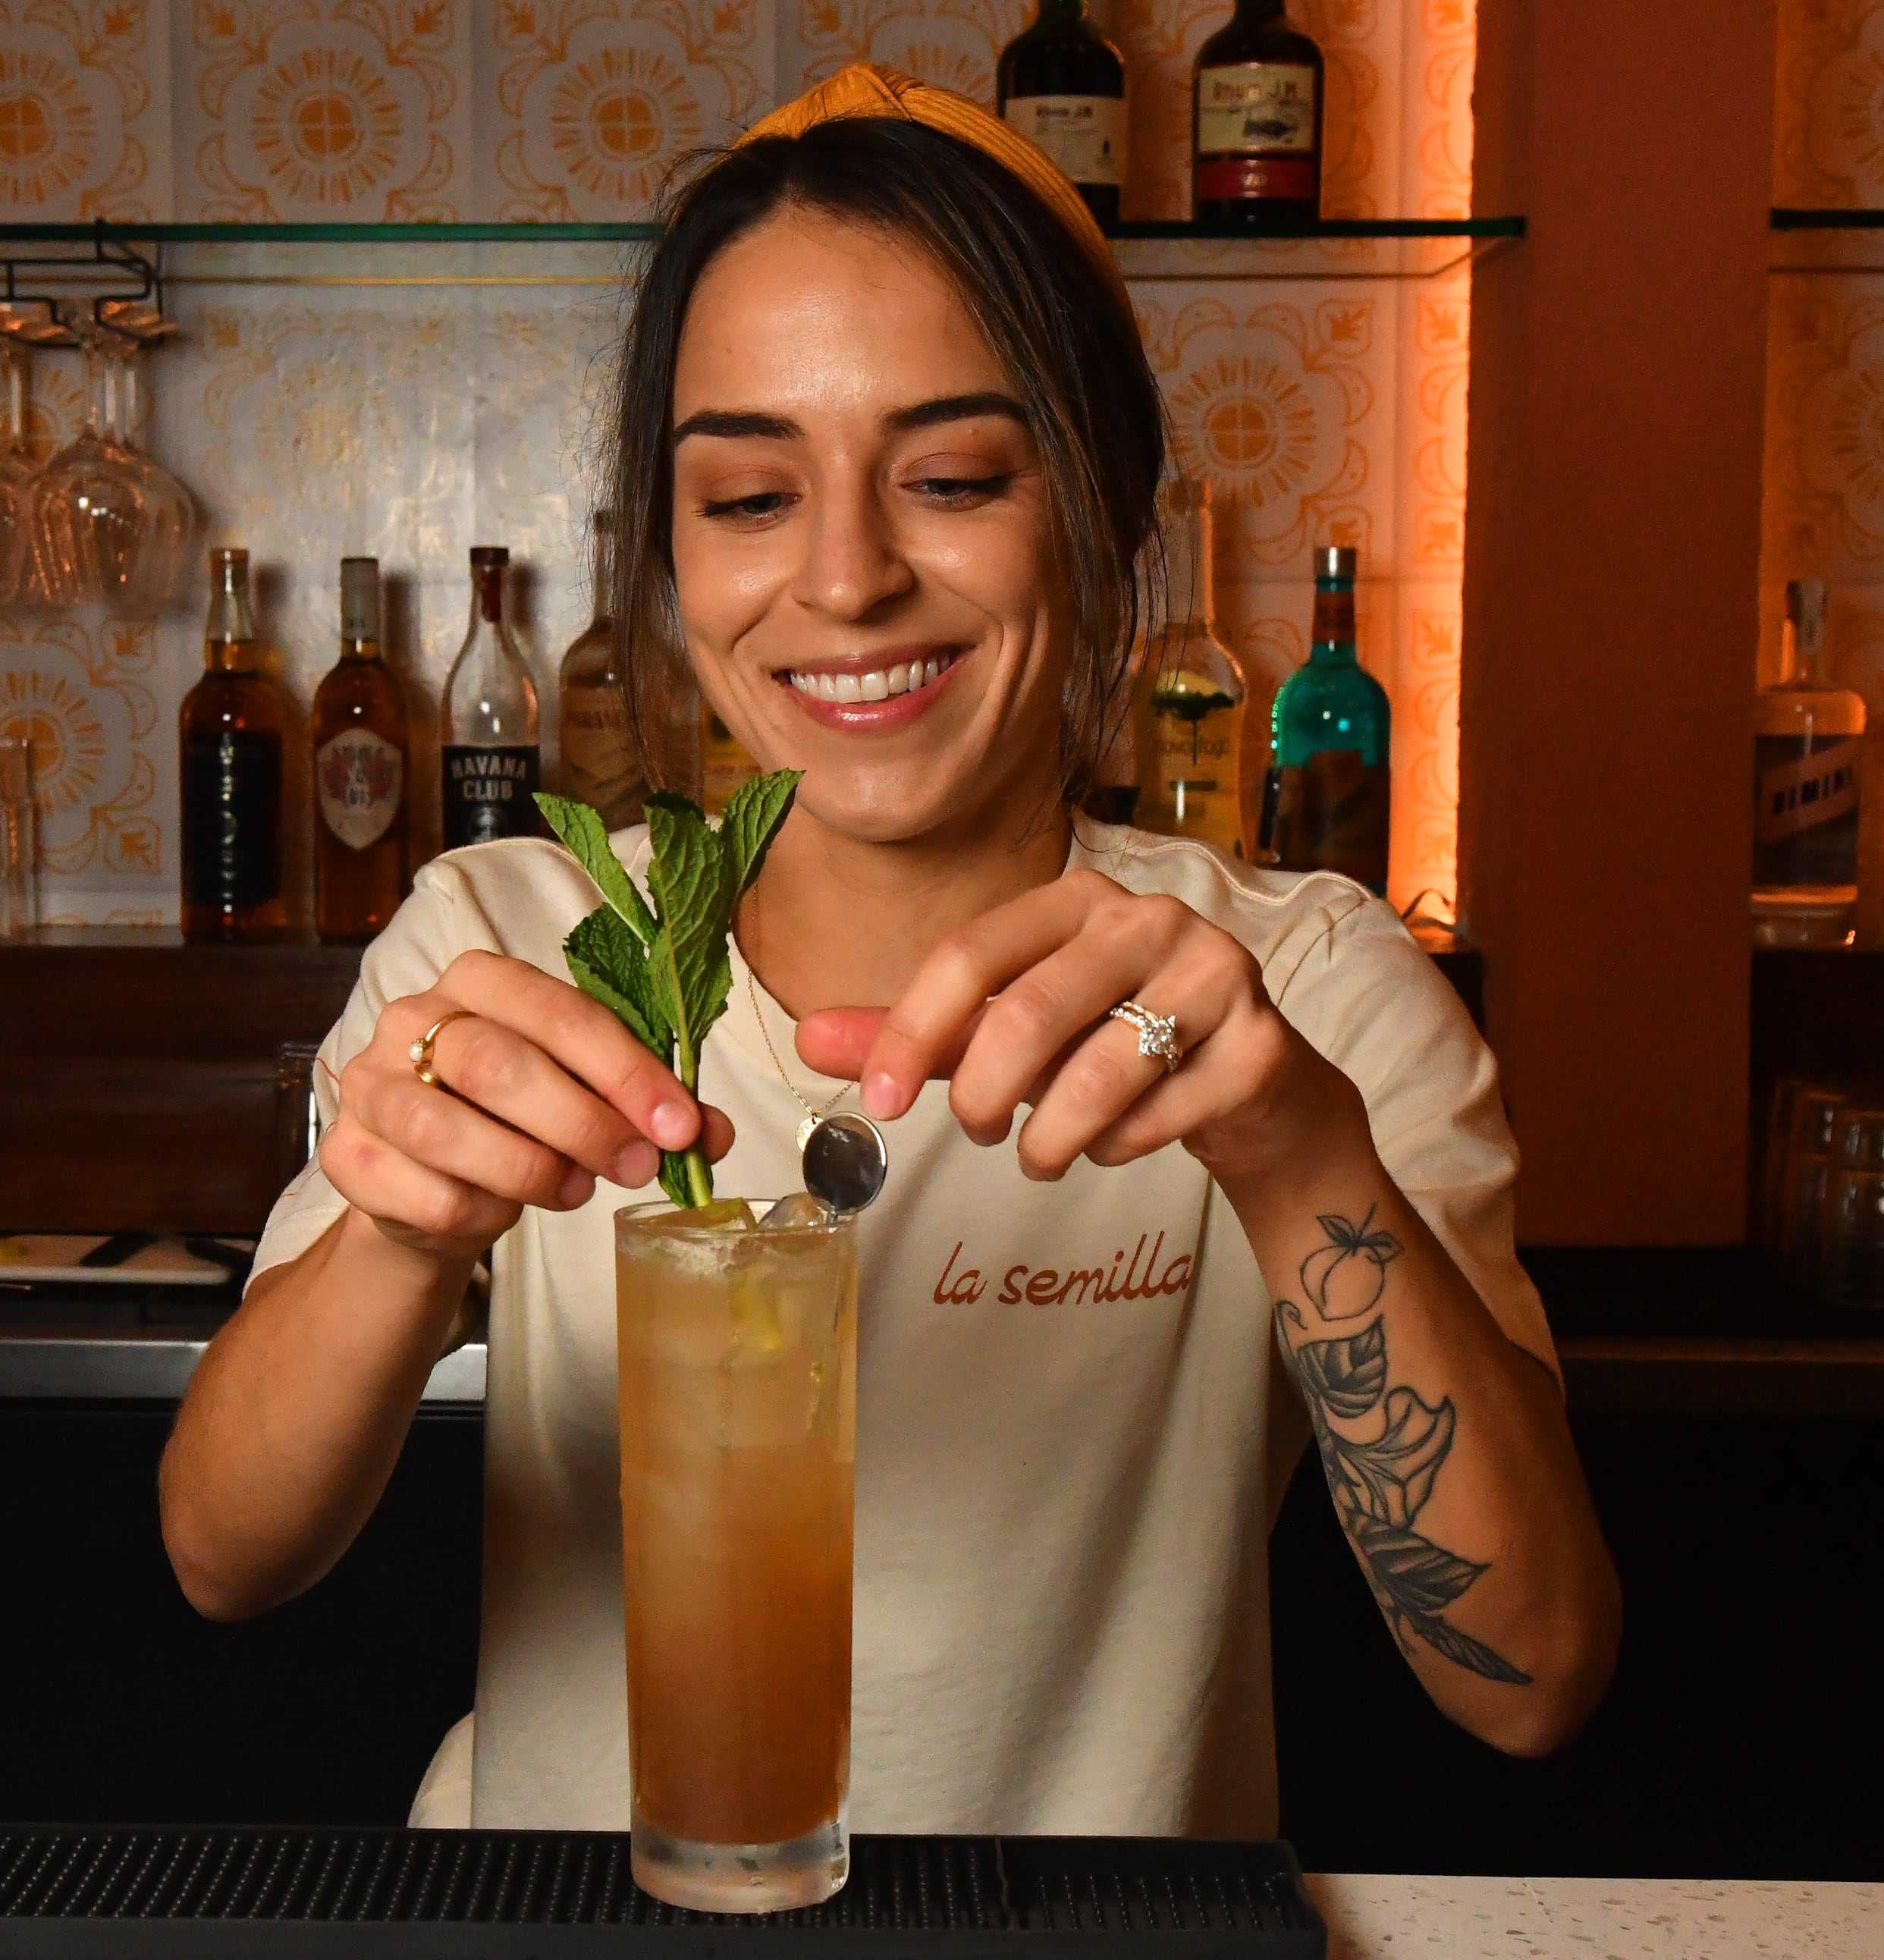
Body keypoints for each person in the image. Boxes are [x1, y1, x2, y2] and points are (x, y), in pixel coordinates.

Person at [160, 63, 1620, 1839]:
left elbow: (1534, 1674)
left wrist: (1299, 1151)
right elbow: (223, 1556)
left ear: (1105, 518)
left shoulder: (1291, 987)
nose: (845, 580)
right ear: (670, 558)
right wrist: (396, 1220)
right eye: (750, 497)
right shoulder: (515, 940)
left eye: (949, 475)